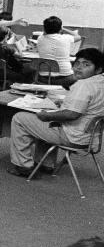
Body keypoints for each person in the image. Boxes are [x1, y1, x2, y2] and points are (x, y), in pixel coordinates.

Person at [7, 48, 104, 177]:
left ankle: (23, 166)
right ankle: (45, 164)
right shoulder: (99, 82)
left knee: (20, 118)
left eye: (86, 64)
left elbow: (72, 114)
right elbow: (87, 106)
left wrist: (46, 115)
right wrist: (62, 105)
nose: (79, 67)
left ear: (98, 69)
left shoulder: (84, 85)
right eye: (77, 63)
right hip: (91, 137)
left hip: (72, 137)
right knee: (49, 122)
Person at [36, 15, 81, 87]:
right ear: (60, 29)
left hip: (44, 79)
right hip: (66, 79)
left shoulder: (40, 38)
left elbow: (44, 33)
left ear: (44, 28)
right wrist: (64, 29)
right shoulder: (66, 38)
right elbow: (78, 37)